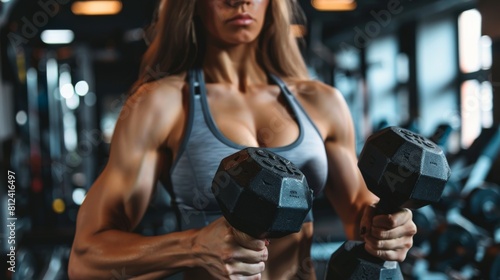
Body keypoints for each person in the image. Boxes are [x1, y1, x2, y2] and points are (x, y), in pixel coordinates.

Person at [68, 0, 417, 279]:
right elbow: (86, 258)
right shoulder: (161, 104)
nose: (241, 2)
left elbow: (359, 211)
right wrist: (193, 246)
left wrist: (388, 227)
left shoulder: (321, 101)